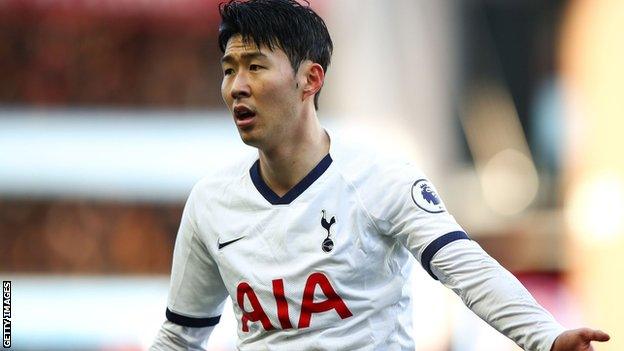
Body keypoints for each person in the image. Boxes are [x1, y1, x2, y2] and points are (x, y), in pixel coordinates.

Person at [151, 0, 610, 350]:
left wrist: (545, 336)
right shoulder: (212, 202)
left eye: (254, 66)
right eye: (228, 70)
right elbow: (180, 337)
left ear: (310, 79)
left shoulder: (380, 179)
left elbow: (467, 269)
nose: (237, 87)